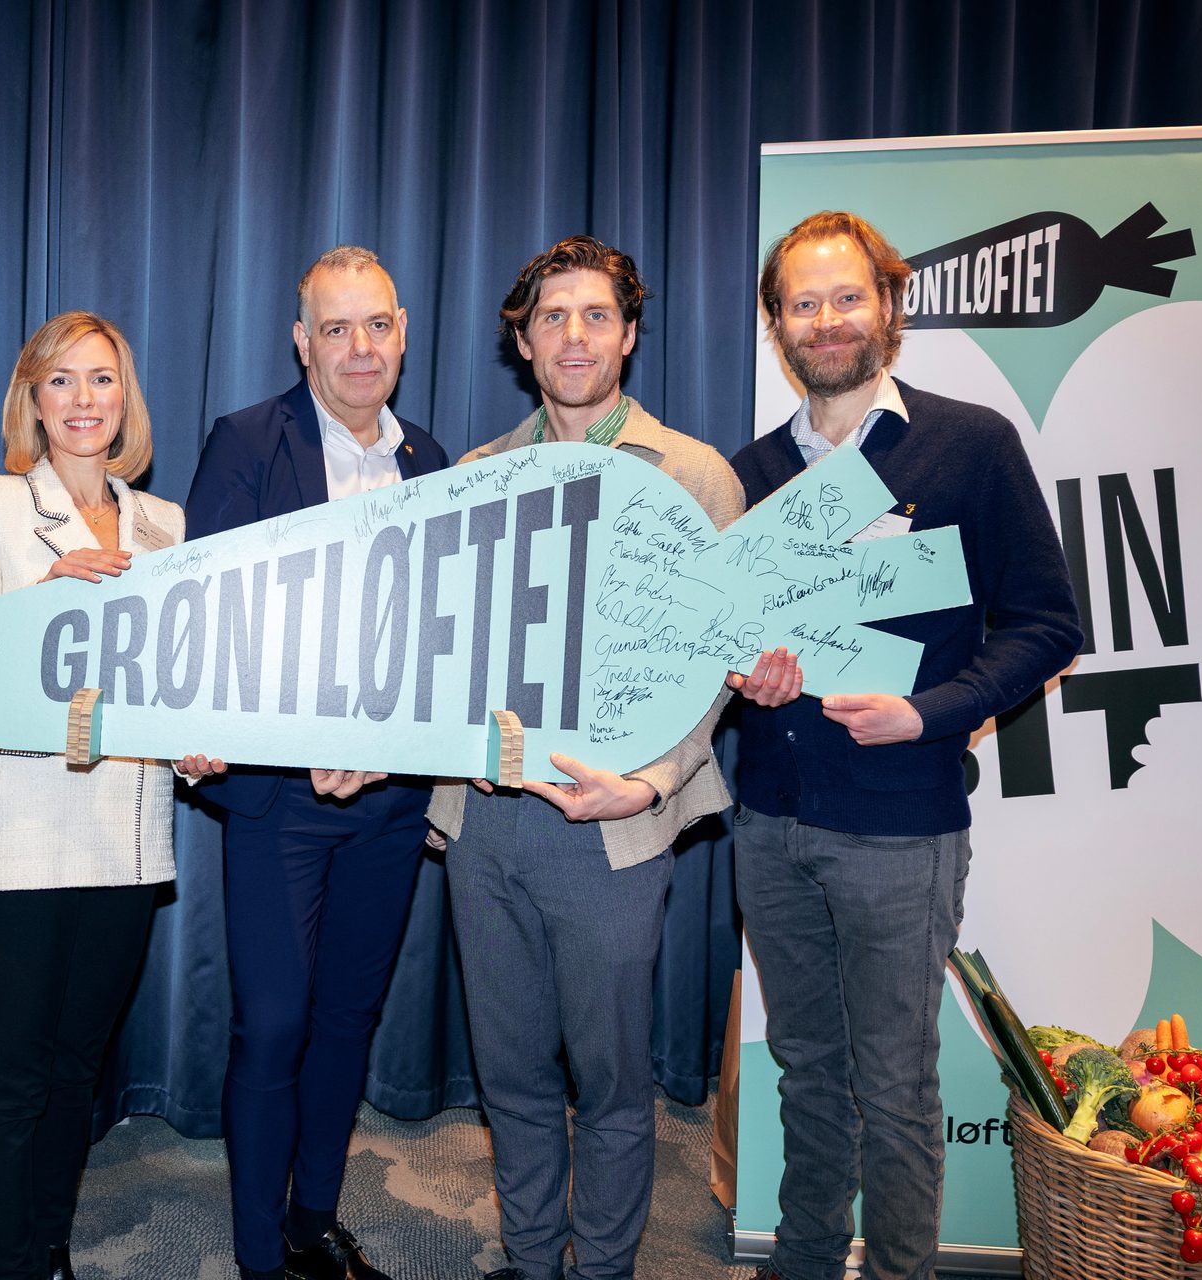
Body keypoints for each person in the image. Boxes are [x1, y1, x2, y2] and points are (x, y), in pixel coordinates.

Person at [424, 236, 796, 1280]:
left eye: (595, 315)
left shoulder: (697, 476)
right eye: (552, 317)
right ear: (523, 340)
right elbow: (436, 651)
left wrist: (652, 781)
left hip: (615, 827)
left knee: (613, 1079)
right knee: (511, 1072)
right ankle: (534, 1258)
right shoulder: (475, 477)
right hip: (485, 819)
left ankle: (603, 1271)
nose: (573, 335)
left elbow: (720, 662)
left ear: (629, 332)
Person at [732, 211, 1082, 1280]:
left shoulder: (968, 442)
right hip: (771, 819)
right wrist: (745, 669)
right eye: (804, 302)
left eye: (847, 297)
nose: (827, 320)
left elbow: (1049, 624)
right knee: (803, 1071)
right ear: (776, 322)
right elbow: (723, 635)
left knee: (894, 1082)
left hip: (900, 825)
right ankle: (801, 1258)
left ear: (888, 306)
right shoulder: (746, 472)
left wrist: (932, 710)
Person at [0, 311, 225, 1280]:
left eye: (101, 380)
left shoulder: (165, 523)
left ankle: (45, 1247)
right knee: (12, 1073)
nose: (83, 401)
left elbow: (172, 682)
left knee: (74, 1068)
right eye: (61, 382)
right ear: (31, 399)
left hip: (128, 842)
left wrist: (194, 746)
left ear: (124, 398)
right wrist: (51, 590)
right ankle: (12, 1262)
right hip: (17, 830)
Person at [184, 246, 450, 1280]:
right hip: (276, 798)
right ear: (302, 341)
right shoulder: (247, 441)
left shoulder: (431, 459)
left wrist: (398, 753)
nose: (356, 348)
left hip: (388, 800)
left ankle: (311, 1219)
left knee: (348, 1014)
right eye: (333, 329)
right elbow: (209, 614)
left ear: (403, 331)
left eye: (374, 325)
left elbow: (442, 637)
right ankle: (258, 1255)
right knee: (277, 1020)